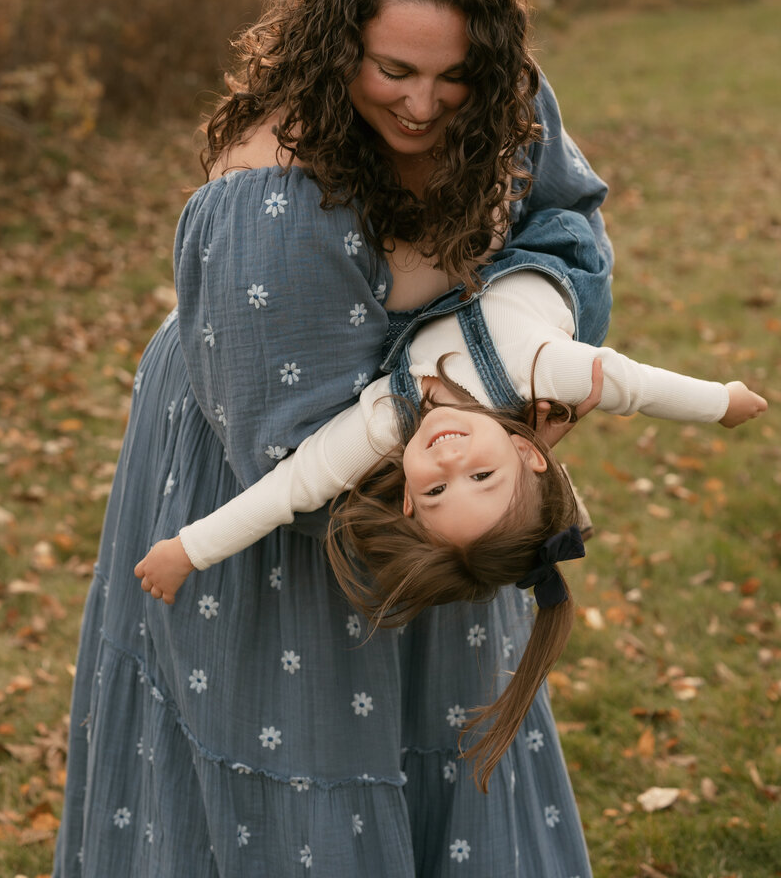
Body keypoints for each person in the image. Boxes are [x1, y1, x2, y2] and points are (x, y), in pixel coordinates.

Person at [55, 0, 616, 878]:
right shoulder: (272, 202)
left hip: (438, 477)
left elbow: (568, 226)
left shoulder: (497, 101)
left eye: (451, 75)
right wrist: (494, 440)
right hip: (280, 503)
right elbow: (309, 468)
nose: (421, 102)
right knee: (306, 770)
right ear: (332, 47)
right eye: (393, 70)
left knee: (434, 735)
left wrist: (539, 331)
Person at [134, 246, 767, 790]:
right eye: (482, 477)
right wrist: (723, 402)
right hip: (548, 257)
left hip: (455, 283)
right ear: (528, 450)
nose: (450, 460)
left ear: (407, 498)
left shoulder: (386, 420)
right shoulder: (542, 369)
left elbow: (290, 489)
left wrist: (189, 549)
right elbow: (631, 384)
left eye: (435, 492)